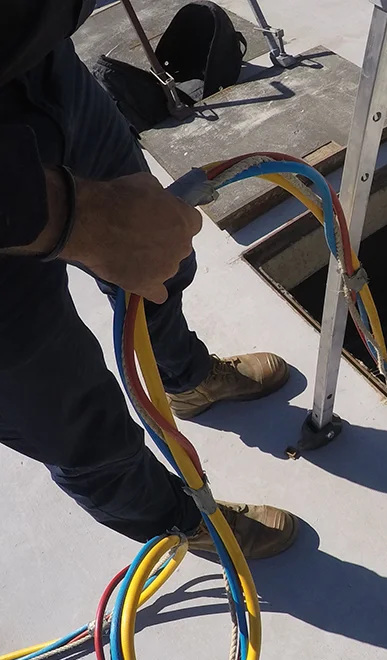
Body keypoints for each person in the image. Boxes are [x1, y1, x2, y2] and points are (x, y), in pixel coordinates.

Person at [0, 1, 296, 558]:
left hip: (42, 65)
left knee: (163, 260)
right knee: (72, 421)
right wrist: (71, 215)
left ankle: (186, 380)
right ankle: (177, 521)